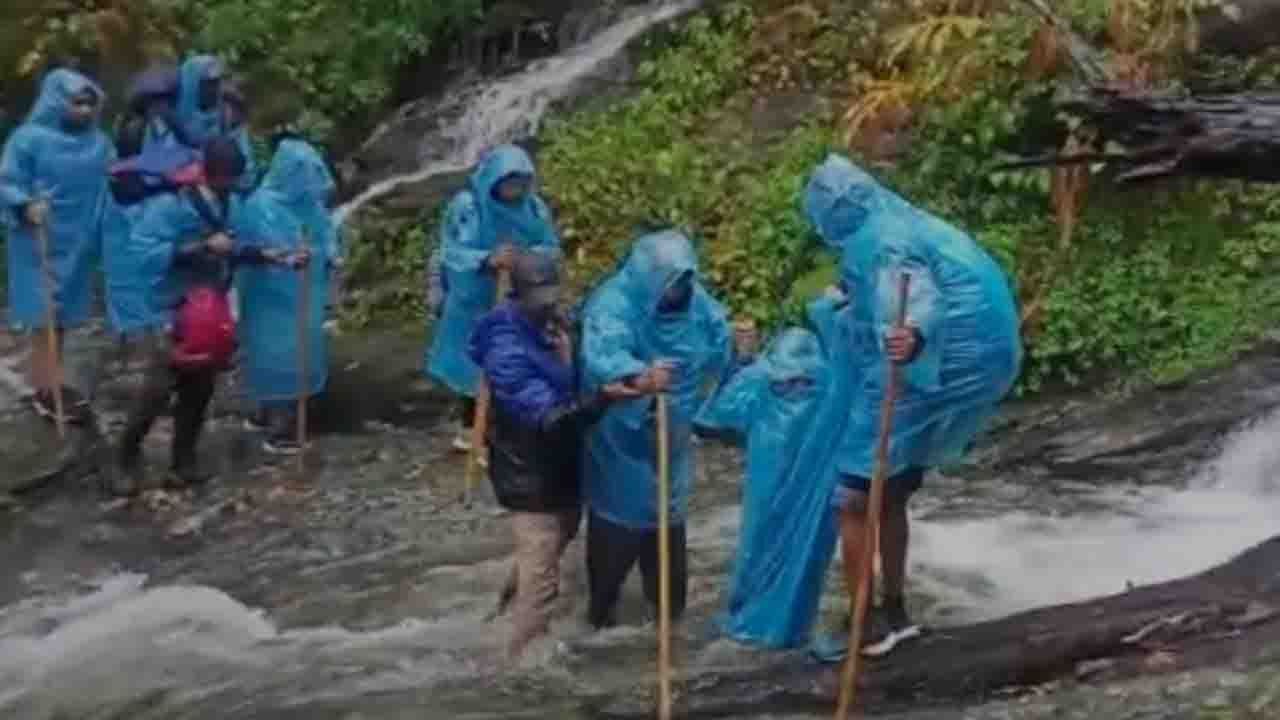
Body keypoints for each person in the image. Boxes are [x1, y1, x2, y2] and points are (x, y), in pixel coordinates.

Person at [803, 153, 1022, 658]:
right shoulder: (894, 219)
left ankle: (863, 623)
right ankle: (895, 612)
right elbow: (876, 294)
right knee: (893, 490)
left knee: (853, 496)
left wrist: (915, 335)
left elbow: (914, 294)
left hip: (932, 365)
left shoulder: (882, 240)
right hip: (974, 357)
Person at [469, 249, 648, 661]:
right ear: (518, 293)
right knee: (542, 567)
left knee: (553, 543)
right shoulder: (506, 349)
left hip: (562, 464)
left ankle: (500, 611)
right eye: (540, 296)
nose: (549, 302)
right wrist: (602, 399)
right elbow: (548, 417)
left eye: (553, 293)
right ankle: (521, 658)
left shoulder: (550, 322)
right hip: (528, 472)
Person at [110, 137, 300, 495]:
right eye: (227, 178)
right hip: (170, 307)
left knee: (199, 388)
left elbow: (237, 248)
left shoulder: (233, 206)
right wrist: (199, 247)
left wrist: (277, 256)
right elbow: (143, 252)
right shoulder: (171, 206)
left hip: (209, 311)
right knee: (159, 388)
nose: (232, 184)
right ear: (210, 174)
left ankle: (183, 462)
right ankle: (125, 459)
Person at [579, 228, 733, 629]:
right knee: (618, 524)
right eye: (672, 282)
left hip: (674, 429)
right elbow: (602, 356)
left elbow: (717, 338)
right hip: (624, 435)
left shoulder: (694, 300)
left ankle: (667, 616)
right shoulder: (613, 304)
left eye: (685, 280)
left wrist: (737, 347)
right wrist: (639, 378)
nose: (680, 289)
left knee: (667, 523)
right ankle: (601, 616)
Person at [694, 326, 846, 649]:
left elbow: (711, 421)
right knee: (807, 554)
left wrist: (741, 363)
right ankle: (794, 628)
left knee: (758, 544)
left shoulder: (760, 376)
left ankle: (749, 618)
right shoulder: (834, 380)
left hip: (767, 477)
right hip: (818, 485)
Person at [425, 144, 560, 455]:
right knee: (473, 362)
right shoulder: (468, 207)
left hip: (517, 297)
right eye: (510, 181)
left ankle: (503, 428)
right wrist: (486, 260)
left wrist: (525, 259)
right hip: (473, 300)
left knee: (513, 360)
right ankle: (471, 430)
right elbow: (453, 251)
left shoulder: (533, 208)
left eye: (522, 182)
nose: (516, 189)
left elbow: (549, 246)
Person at [0, 68, 114, 422]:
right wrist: (24, 203)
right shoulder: (28, 139)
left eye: (89, 105)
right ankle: (43, 388)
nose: (83, 111)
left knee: (62, 316)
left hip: (78, 240)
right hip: (38, 238)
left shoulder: (99, 142)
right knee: (41, 314)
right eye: (77, 103)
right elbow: (6, 180)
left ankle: (55, 381)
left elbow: (112, 178)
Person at [236, 136, 337, 454]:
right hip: (268, 293)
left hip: (303, 292)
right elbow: (260, 246)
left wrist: (331, 254)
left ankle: (278, 416)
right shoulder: (260, 205)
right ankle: (276, 424)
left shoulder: (310, 204)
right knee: (274, 351)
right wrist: (289, 257)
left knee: (298, 351)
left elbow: (325, 233)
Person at [175, 55, 257, 192]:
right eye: (208, 84)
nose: (214, 89)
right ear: (192, 84)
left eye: (217, 82)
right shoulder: (173, 120)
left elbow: (247, 166)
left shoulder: (226, 117)